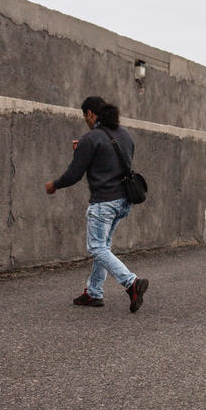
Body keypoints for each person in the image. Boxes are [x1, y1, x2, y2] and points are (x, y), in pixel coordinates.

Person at [46, 97, 149, 313]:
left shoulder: (91, 138)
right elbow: (112, 163)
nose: (86, 120)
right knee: (104, 246)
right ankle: (93, 293)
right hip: (124, 201)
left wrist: (55, 184)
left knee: (97, 247)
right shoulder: (125, 135)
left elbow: (74, 174)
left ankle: (131, 283)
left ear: (91, 114)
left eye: (85, 116)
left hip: (104, 202)